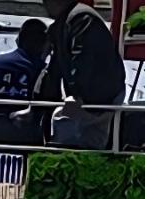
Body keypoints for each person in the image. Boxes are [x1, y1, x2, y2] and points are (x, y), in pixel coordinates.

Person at [42, 0, 127, 149]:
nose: (45, 5)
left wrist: (77, 97)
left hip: (100, 96)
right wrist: (40, 101)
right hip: (90, 95)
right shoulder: (63, 23)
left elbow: (82, 61)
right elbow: (55, 68)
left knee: (72, 132)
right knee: (85, 139)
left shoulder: (82, 19)